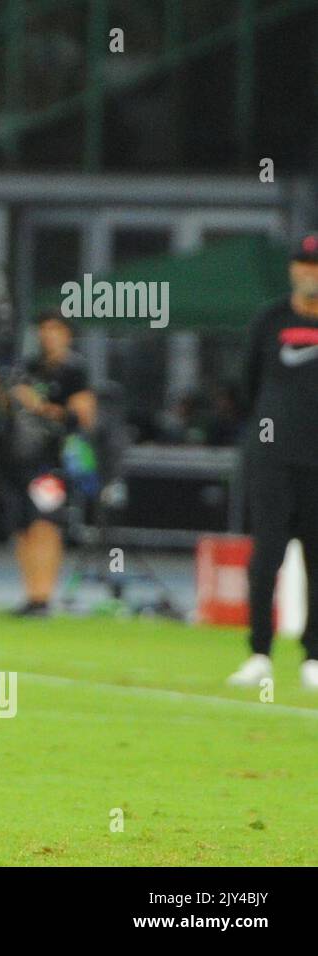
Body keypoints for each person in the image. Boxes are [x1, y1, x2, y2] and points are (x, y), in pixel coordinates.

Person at [228, 233, 318, 690]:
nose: (308, 272)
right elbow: (245, 386)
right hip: (273, 459)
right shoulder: (270, 319)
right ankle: (260, 652)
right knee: (267, 556)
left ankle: (314, 656)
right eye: (302, 264)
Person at [0, 312, 96, 617]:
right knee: (22, 526)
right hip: (18, 455)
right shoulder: (29, 367)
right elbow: (9, 409)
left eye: (54, 329)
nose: (47, 335)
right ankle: (30, 594)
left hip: (51, 458)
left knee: (45, 523)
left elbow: (83, 417)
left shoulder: (74, 370)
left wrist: (38, 405)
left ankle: (43, 596)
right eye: (43, 329)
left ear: (66, 334)